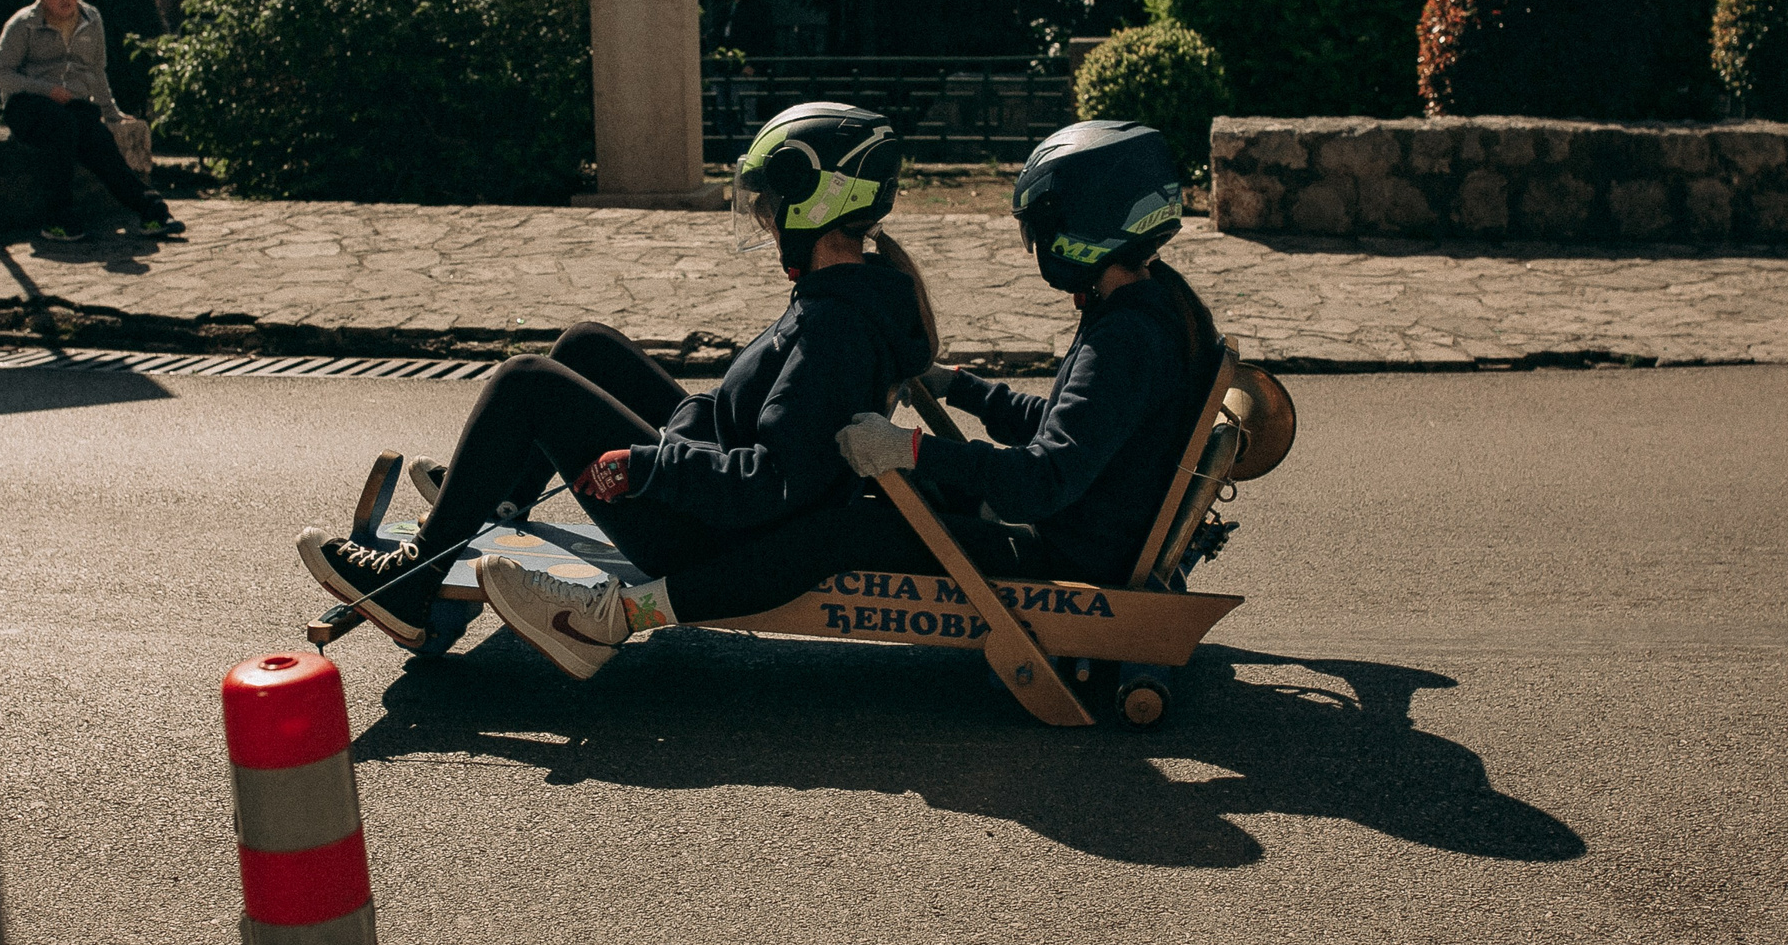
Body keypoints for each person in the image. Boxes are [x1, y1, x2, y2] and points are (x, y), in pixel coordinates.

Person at [469, 120, 1226, 671]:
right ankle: (502, 495)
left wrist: (913, 451)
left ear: (1090, 223)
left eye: (1043, 228)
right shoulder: (1152, 309)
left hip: (1056, 549)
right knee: (850, 506)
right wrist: (962, 388)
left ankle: (615, 618)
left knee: (834, 530)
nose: (1037, 247)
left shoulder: (1124, 336)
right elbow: (1067, 430)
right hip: (1068, 525)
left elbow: (1047, 477)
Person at [300, 102, 935, 670]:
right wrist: (682, 434)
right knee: (585, 343)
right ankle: (497, 501)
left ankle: (412, 583)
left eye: (770, 203)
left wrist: (648, 464)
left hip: (704, 538)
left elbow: (772, 482)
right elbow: (766, 424)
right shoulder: (855, 293)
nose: (766, 219)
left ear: (816, 197)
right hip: (716, 481)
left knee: (526, 381)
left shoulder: (834, 332)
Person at [0, 0, 182, 242]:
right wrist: (48, 90)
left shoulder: (91, 18)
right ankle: (58, 220)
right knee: (62, 127)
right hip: (26, 106)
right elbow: (0, 75)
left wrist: (112, 112)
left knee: (99, 139)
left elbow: (96, 70)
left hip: (70, 106)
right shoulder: (22, 24)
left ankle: (152, 212)